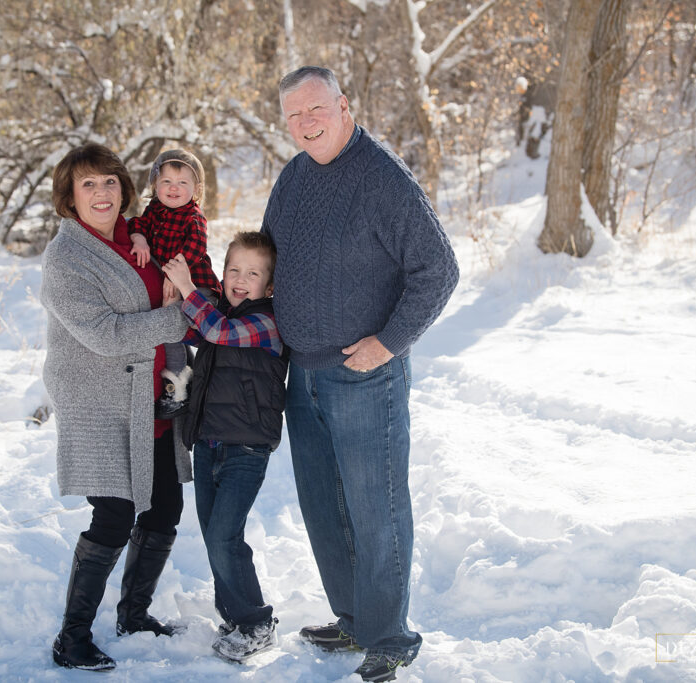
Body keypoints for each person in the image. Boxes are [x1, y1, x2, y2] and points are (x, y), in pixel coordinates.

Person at [261, 66, 460, 682]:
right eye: (294, 116)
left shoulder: (382, 179)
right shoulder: (293, 178)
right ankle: (353, 620)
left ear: (344, 106)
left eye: (316, 109)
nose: (306, 124)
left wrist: (389, 343)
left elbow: (438, 270)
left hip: (365, 376)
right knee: (324, 508)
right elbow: (268, 260)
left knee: (377, 509)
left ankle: (390, 636)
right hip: (305, 375)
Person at [40, 142, 193, 671]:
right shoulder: (66, 258)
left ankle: (134, 613)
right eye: (88, 185)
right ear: (70, 196)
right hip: (97, 399)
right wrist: (180, 320)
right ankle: (72, 637)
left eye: (109, 182)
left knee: (165, 507)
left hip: (154, 393)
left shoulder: (137, 234)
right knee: (114, 514)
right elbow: (105, 335)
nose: (102, 193)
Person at [161, 231, 288, 662]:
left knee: (224, 536)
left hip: (245, 449)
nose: (240, 278)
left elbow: (216, 332)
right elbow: (199, 332)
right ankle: (234, 617)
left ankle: (256, 624)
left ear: (268, 287)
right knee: (216, 537)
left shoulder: (265, 322)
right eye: (233, 269)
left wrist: (188, 288)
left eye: (252, 273)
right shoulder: (220, 317)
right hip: (211, 444)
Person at [128, 149, 222, 419]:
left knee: (184, 324)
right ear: (155, 185)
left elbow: (195, 248)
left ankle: (200, 379)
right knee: (169, 329)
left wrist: (173, 274)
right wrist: (139, 237)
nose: (174, 188)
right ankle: (179, 381)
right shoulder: (154, 210)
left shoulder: (194, 216)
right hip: (172, 288)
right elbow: (139, 224)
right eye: (166, 182)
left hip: (197, 286)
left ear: (196, 189)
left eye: (182, 183)